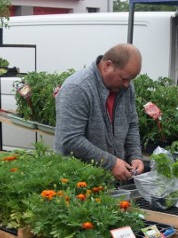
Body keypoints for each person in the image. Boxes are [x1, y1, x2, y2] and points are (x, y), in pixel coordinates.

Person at [54, 44, 145, 181]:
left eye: (131, 79)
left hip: (111, 180)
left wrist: (135, 156)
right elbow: (71, 139)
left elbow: (131, 124)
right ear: (107, 65)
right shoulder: (77, 88)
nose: (127, 84)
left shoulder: (125, 88)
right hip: (78, 181)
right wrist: (111, 163)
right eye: (124, 78)